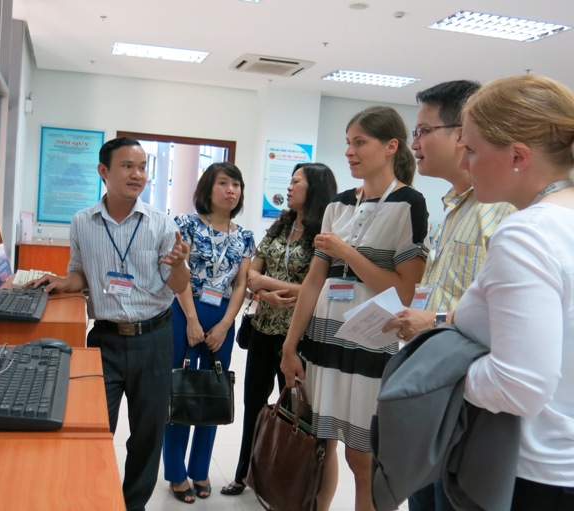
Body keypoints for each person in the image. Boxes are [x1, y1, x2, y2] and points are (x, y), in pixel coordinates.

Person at [281, 106, 429, 511]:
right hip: (323, 342)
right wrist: (290, 346)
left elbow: (403, 291)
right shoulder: (338, 204)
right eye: (348, 142)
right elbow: (314, 283)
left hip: (371, 345)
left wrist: (346, 252)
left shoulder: (409, 204)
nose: (349, 151)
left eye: (360, 142)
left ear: (391, 146)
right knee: (319, 446)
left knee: (362, 458)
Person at [30, 137, 190, 511]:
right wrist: (63, 282)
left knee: (148, 433)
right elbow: (80, 273)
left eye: (142, 167)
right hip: (105, 340)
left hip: (154, 338)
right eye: (127, 166)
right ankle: (93, 499)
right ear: (103, 171)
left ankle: (133, 505)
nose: (137, 175)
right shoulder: (82, 222)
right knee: (95, 428)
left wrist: (181, 264)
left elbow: (179, 286)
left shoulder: (161, 224)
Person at [382, 80, 515, 511]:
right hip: (436, 383)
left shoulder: (502, 212)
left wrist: (435, 322)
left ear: (462, 133)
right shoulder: (455, 207)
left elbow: (500, 319)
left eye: (424, 131)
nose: (414, 144)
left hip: (470, 394)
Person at [454, 74, 574, 510]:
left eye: (471, 149)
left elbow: (519, 386)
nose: (463, 163)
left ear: (518, 156)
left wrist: (441, 369)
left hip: (536, 474)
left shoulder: (528, 233)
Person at [220, 162, 338, 497]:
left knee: (294, 412)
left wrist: (266, 285)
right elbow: (251, 274)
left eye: (296, 182)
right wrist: (264, 292)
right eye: (290, 181)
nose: (289, 187)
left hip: (298, 338)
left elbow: (318, 288)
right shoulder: (281, 225)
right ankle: (243, 474)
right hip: (263, 329)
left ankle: (284, 482)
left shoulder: (324, 235)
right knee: (254, 406)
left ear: (314, 189)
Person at [163, 162, 255, 504]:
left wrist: (226, 324)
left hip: (222, 319)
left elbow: (241, 284)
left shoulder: (245, 236)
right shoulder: (185, 224)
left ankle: (200, 469)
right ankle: (176, 473)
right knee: (180, 389)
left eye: (236, 185)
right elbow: (179, 272)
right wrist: (191, 319)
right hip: (185, 312)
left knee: (213, 393)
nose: (231, 190)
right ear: (208, 188)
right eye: (224, 183)